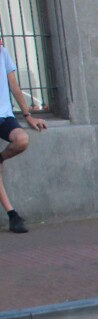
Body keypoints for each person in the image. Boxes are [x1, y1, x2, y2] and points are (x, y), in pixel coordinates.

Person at [0, 37, 46, 234]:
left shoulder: (3, 53)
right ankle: (12, 214)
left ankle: (0, 158)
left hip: (4, 117)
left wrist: (28, 116)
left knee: (22, 140)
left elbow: (14, 86)